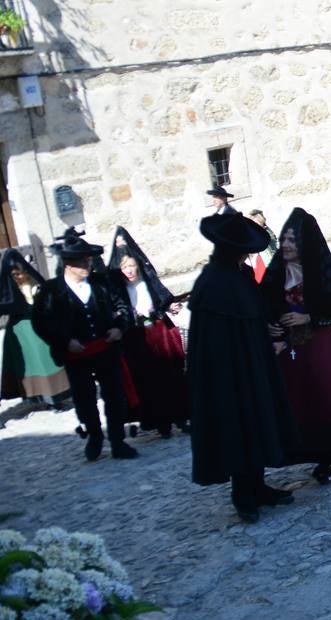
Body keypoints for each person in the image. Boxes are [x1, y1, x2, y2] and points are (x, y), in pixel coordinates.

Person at [187, 213, 296, 522]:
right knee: (237, 426)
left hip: (252, 364)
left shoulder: (239, 276)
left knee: (258, 420)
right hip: (226, 374)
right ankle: (242, 493)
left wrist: (268, 331)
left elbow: (253, 315)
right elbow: (211, 342)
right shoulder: (213, 283)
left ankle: (257, 485)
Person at [261, 208, 331, 485]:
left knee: (323, 399)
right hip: (287, 350)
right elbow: (264, 304)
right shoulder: (277, 273)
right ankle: (293, 452)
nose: (286, 245)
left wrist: (308, 316)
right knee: (295, 401)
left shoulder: (318, 271)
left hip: (317, 347)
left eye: (292, 240)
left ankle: (327, 459)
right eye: (285, 239)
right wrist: (269, 324)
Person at [31, 229, 137, 461]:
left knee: (114, 395)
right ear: (68, 264)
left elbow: (123, 308)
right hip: (75, 355)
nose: (87, 265)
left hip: (105, 349)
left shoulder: (102, 284)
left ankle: (118, 440)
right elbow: (41, 322)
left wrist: (119, 327)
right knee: (84, 397)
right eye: (82, 262)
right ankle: (95, 437)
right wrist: (65, 341)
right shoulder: (51, 291)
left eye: (88, 260)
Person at [109, 227, 189, 439]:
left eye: (132, 266)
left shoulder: (148, 283)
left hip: (160, 333)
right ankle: (160, 421)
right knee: (148, 381)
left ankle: (181, 417)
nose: (129, 271)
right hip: (137, 338)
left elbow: (162, 299)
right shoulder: (119, 292)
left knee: (172, 376)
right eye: (125, 267)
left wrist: (170, 306)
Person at [0, 249, 69, 409]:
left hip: (40, 326)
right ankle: (40, 397)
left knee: (48, 360)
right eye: (15, 274)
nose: (20, 276)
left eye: (22, 272)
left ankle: (56, 397)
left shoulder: (36, 284)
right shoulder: (7, 291)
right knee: (32, 364)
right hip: (21, 330)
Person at [246, 209, 278, 283]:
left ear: (261, 221)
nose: (254, 226)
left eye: (255, 223)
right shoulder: (264, 231)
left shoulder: (266, 233)